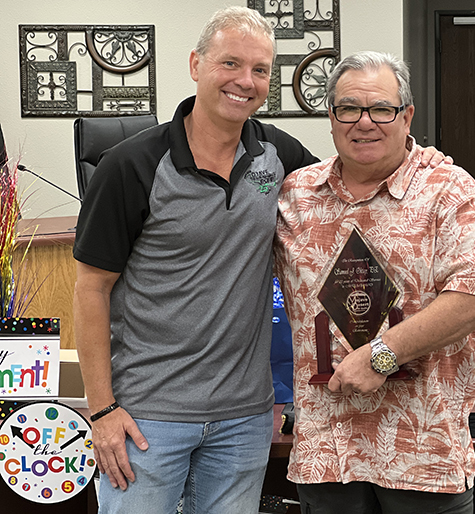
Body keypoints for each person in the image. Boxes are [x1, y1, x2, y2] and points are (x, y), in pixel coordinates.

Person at [72, 8, 446, 513]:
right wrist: (101, 410)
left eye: (261, 70)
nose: (245, 82)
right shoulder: (131, 166)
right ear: (195, 64)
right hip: (146, 418)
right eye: (230, 64)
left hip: (244, 419)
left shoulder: (278, 154)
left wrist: (425, 161)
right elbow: (90, 289)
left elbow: (348, 178)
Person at [275, 51, 475, 514]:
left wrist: (380, 356)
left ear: (406, 116)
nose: (364, 122)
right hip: (327, 455)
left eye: (381, 109)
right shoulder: (295, 195)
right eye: (349, 108)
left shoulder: (449, 190)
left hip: (422, 456)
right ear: (331, 117)